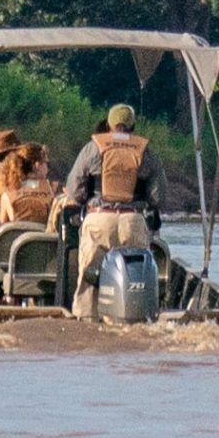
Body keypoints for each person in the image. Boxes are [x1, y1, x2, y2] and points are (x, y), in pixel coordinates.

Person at [59, 104, 164, 319]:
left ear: (108, 125)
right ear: (132, 126)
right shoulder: (146, 152)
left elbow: (74, 189)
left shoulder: (93, 148)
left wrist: (87, 200)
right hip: (132, 222)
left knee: (89, 276)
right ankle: (135, 319)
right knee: (134, 277)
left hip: (99, 219)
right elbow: (157, 198)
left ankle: (87, 319)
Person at [0, 142, 55, 223]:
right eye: (46, 163)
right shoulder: (51, 190)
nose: (48, 168)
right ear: (37, 165)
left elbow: (3, 227)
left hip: (16, 231)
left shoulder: (7, 194)